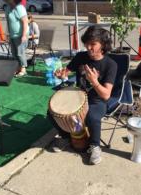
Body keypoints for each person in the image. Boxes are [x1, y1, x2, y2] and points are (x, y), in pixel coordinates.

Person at [50, 26, 118, 165]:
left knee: (92, 117)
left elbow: (106, 95)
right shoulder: (81, 57)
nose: (88, 47)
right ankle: (65, 136)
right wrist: (61, 73)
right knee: (51, 113)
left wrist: (94, 81)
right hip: (78, 96)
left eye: (93, 44)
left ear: (103, 45)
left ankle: (95, 146)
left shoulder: (110, 65)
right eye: (87, 44)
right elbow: (66, 71)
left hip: (96, 100)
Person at [4, 0, 29, 76]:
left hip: (21, 35)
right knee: (14, 53)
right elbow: (8, 22)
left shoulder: (20, 8)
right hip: (12, 35)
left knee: (20, 52)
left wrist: (24, 35)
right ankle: (18, 67)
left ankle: (23, 69)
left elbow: (25, 22)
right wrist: (8, 33)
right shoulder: (7, 8)